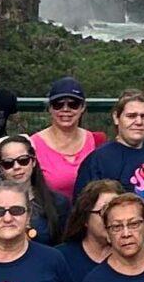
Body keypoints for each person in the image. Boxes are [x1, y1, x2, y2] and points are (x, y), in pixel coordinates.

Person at [88, 93, 144, 248]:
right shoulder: (100, 159)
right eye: (131, 116)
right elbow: (87, 213)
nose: (138, 121)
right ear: (116, 117)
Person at [26, 78, 105, 207]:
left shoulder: (97, 141)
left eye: (73, 104)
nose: (65, 109)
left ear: (83, 107)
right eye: (58, 104)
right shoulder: (33, 145)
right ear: (50, 108)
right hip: (51, 219)